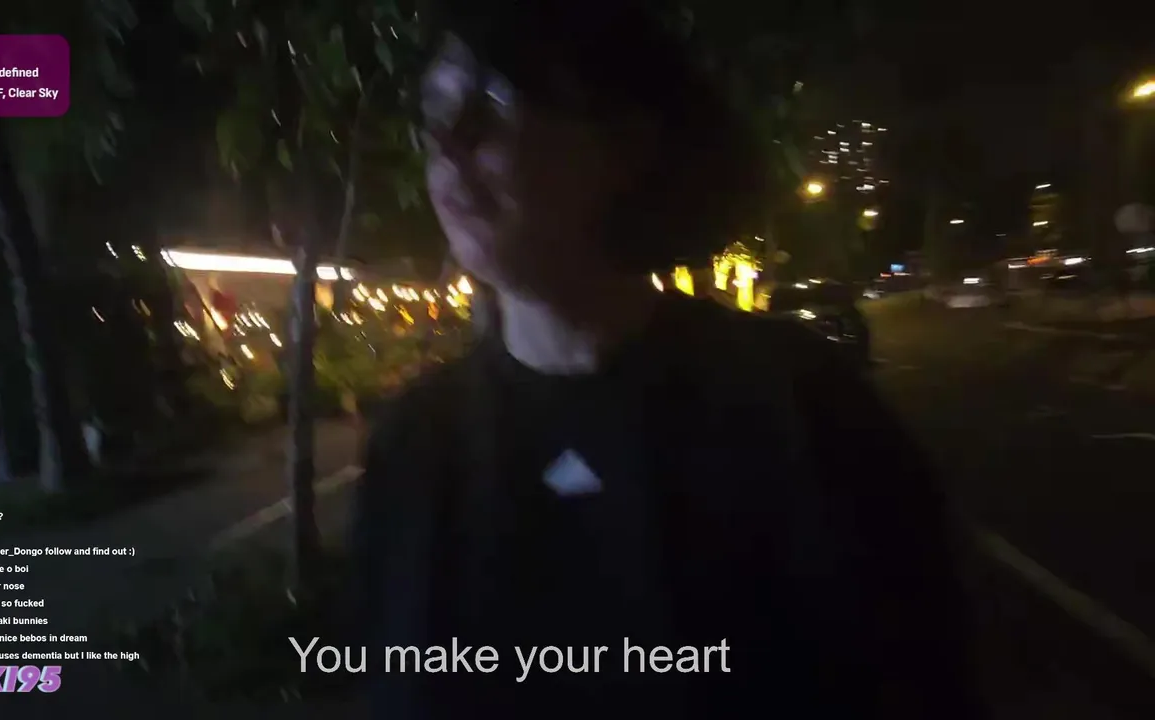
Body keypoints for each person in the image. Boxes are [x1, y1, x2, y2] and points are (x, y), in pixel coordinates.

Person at [350, 1, 978, 716]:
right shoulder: (415, 448)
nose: (447, 141)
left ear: (627, 146)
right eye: (433, 109)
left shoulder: (803, 413)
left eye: (493, 103)